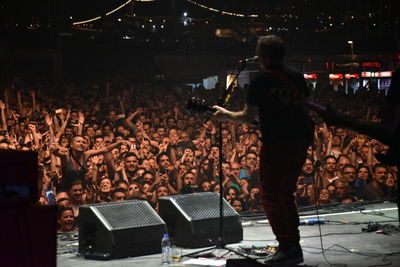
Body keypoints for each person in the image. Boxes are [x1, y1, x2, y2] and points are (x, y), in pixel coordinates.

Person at [213, 35, 313, 266]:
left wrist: (226, 114)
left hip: (277, 143)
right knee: (285, 193)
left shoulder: (262, 81)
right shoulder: (297, 76)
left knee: (270, 195)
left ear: (263, 56)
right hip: (299, 141)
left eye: (258, 53)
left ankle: (288, 246)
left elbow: (248, 116)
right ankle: (292, 245)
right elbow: (303, 106)